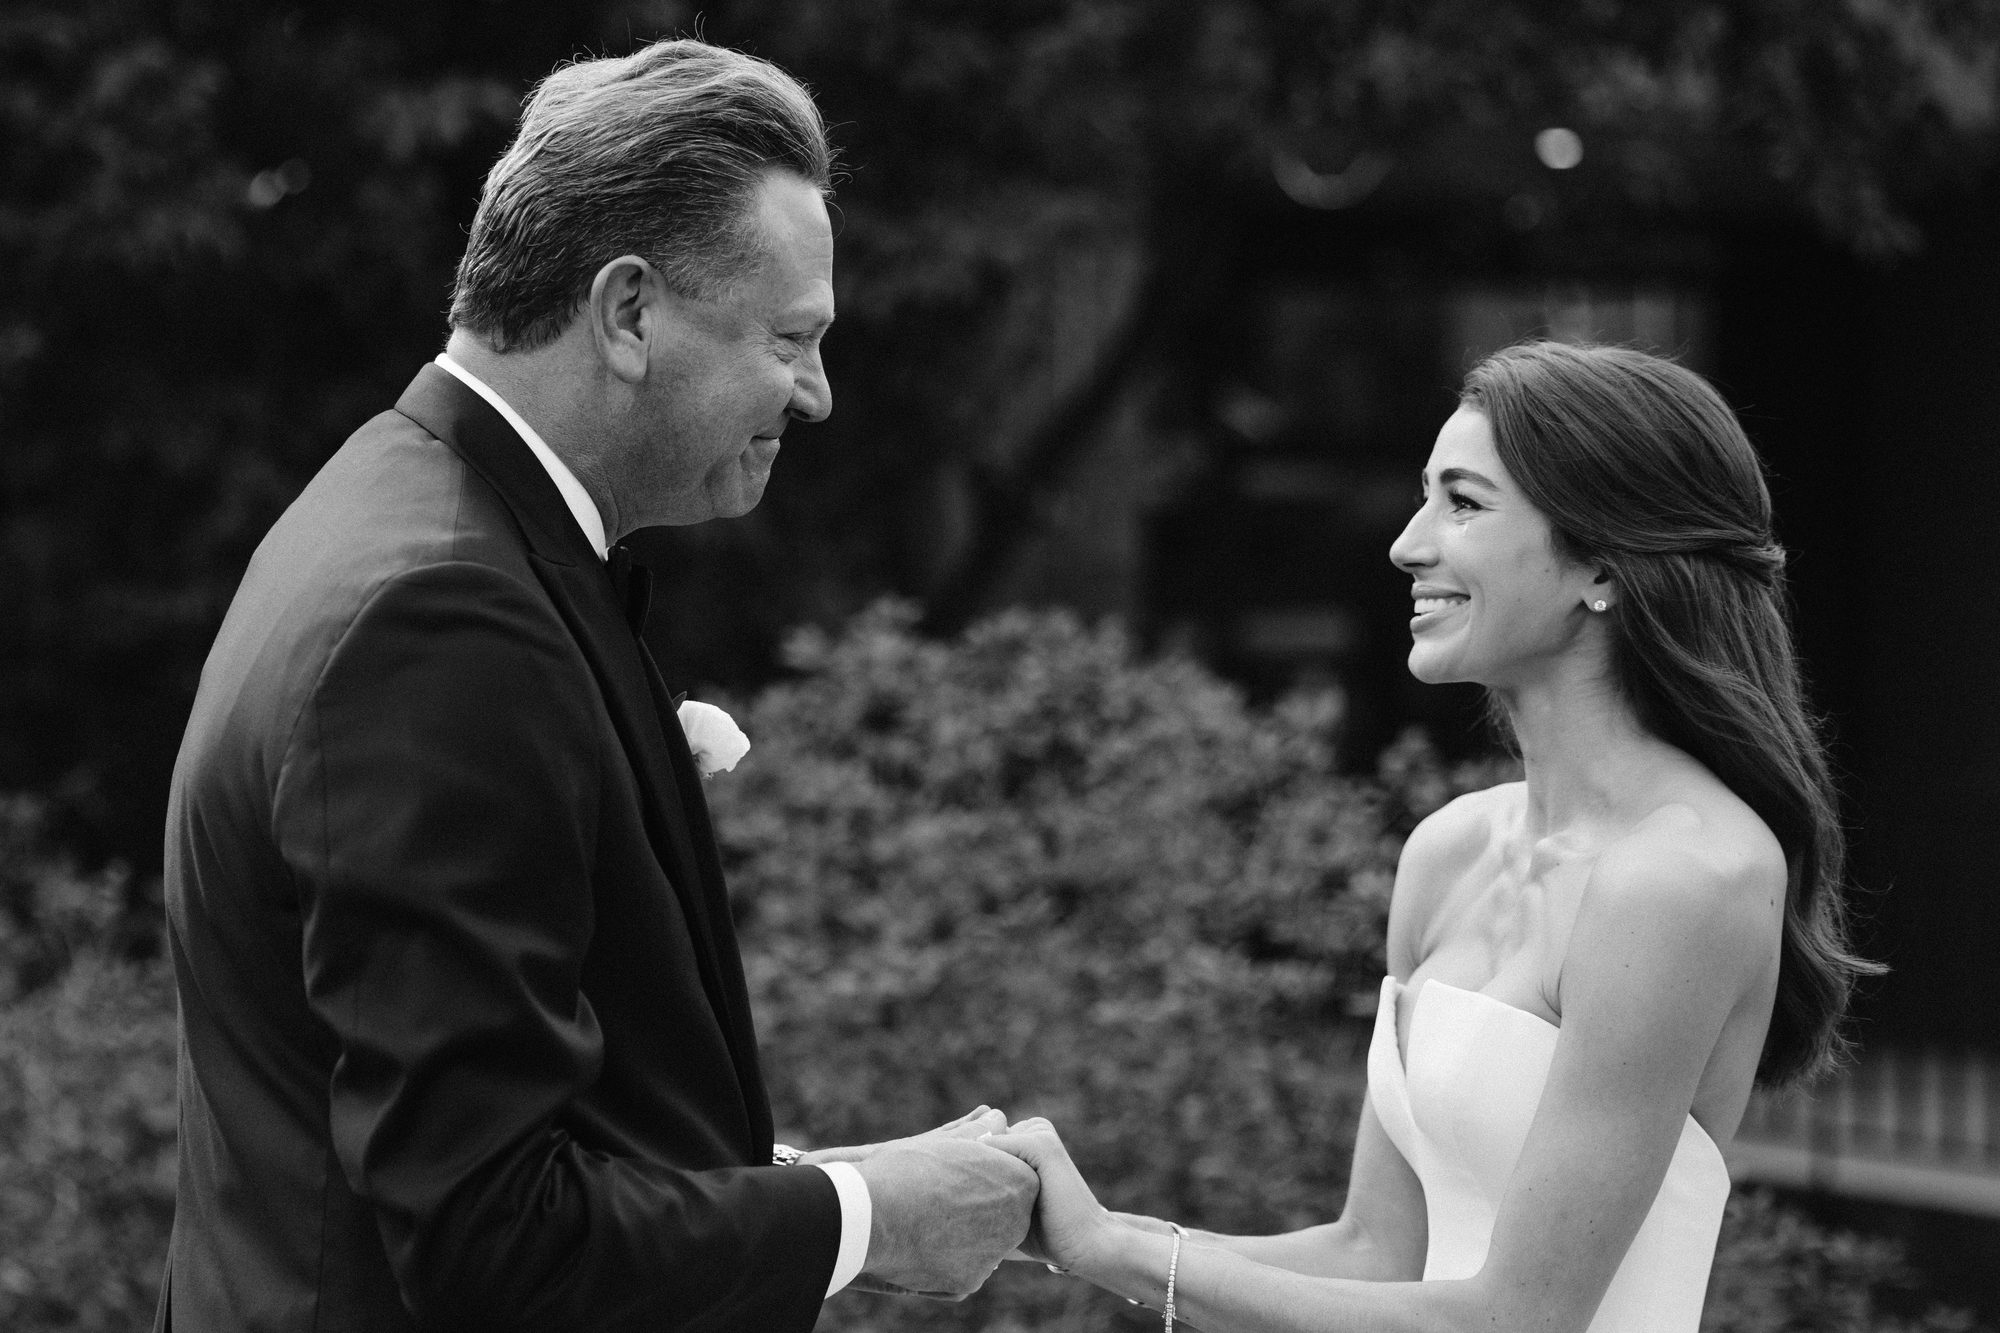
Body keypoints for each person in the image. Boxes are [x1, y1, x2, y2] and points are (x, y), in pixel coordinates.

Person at [155, 37, 1036, 1333]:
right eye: (793, 338)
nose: (821, 394)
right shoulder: (444, 620)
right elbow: (490, 1240)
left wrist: (814, 1185)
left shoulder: (416, 515)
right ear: (628, 312)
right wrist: (871, 1213)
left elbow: (498, 1127)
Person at [985, 341, 1877, 1332]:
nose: (1407, 543)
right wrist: (1081, 1230)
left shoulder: (1681, 878)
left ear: (1598, 561)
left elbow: (1515, 1319)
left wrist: (1120, 1252)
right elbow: (1373, 1253)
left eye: (1460, 502)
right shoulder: (1449, 853)